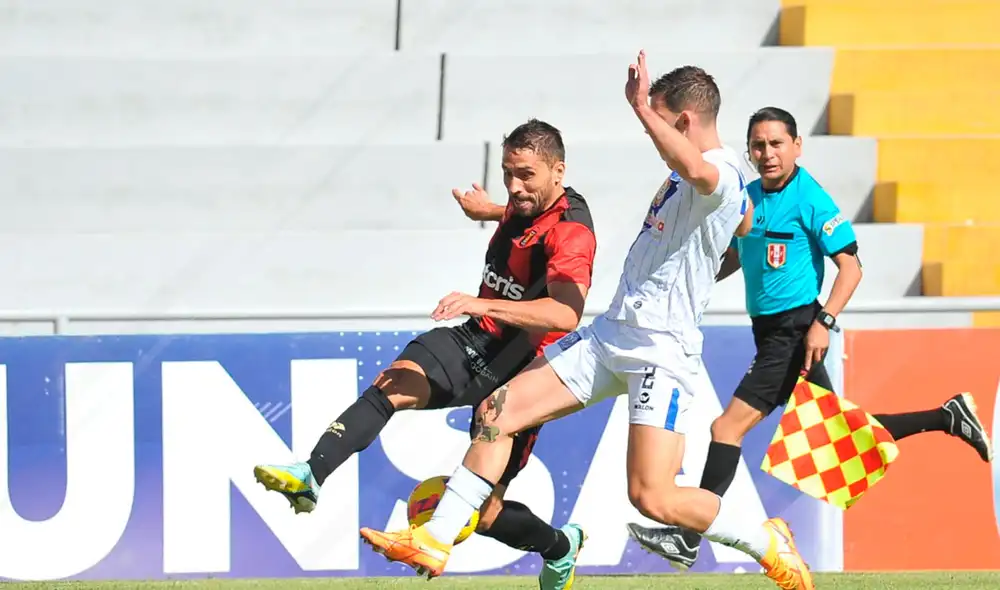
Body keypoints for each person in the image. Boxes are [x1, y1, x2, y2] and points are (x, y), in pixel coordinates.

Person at [360, 53, 815, 590]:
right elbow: (740, 223)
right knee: (498, 409)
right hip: (613, 333)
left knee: (653, 496)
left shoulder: (718, 170)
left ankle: (766, 542)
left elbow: (704, 177)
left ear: (685, 123)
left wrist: (638, 107)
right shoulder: (714, 184)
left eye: (664, 123)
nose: (658, 135)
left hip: (660, 351)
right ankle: (434, 540)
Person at [625, 106, 995, 570]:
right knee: (841, 439)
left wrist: (825, 321)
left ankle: (688, 535)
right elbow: (743, 254)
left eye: (776, 144)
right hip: (770, 334)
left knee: (726, 429)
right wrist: (695, 277)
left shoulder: (811, 199)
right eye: (758, 146)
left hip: (796, 331)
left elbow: (852, 267)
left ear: (797, 146)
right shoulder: (749, 197)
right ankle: (947, 416)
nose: (767, 154)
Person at [253, 118, 598, 585]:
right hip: (480, 334)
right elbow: (527, 216)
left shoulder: (574, 231)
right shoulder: (530, 200)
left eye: (526, 176)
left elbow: (565, 314)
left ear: (559, 171)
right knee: (393, 382)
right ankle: (310, 476)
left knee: (488, 512)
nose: (515, 186)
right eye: (507, 173)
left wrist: (483, 302)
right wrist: (489, 211)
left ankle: (561, 546)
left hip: (522, 372)